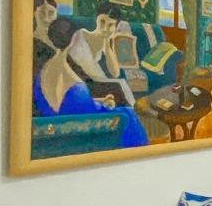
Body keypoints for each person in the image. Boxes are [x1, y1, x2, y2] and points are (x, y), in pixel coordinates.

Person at [34, 16, 147, 148]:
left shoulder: (46, 70)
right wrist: (105, 105)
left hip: (60, 125)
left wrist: (101, 101)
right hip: (79, 133)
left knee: (123, 110)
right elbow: (84, 113)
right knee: (127, 114)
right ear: (74, 39)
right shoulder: (71, 79)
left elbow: (67, 103)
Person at [68, 2, 136, 106]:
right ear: (96, 20)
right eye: (102, 22)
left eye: (110, 25)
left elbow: (115, 73)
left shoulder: (105, 44)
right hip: (77, 80)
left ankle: (131, 110)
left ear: (115, 27)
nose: (105, 28)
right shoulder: (80, 35)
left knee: (121, 84)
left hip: (93, 81)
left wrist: (107, 43)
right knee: (118, 87)